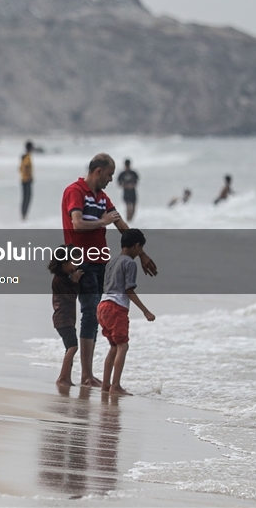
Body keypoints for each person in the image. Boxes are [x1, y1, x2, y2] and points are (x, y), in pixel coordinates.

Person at [61, 153, 158, 387]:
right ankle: (86, 375)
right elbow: (76, 224)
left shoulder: (103, 198)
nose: (111, 180)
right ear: (98, 171)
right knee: (90, 312)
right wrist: (101, 222)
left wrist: (142, 254)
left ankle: (94, 375)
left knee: (99, 314)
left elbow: (121, 225)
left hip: (101, 262)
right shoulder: (75, 191)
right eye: (109, 174)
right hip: (80, 261)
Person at [97, 228, 155, 395]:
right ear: (137, 246)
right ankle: (115, 386)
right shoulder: (130, 263)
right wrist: (146, 311)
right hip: (116, 308)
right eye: (140, 249)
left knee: (113, 347)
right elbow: (129, 290)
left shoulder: (112, 262)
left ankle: (105, 385)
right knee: (123, 346)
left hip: (102, 306)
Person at [48, 246, 84, 386]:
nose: (75, 266)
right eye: (73, 262)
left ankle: (66, 377)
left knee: (69, 347)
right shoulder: (60, 280)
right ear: (63, 264)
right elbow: (70, 297)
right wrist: (75, 281)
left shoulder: (62, 278)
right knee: (73, 347)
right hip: (63, 319)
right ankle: (62, 377)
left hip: (66, 319)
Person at [19, 140, 35, 221]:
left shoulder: (24, 156)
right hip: (26, 180)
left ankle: (23, 215)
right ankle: (24, 215)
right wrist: (30, 176)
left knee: (24, 197)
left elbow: (20, 168)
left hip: (23, 179)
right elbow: (25, 166)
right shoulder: (27, 157)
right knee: (27, 198)